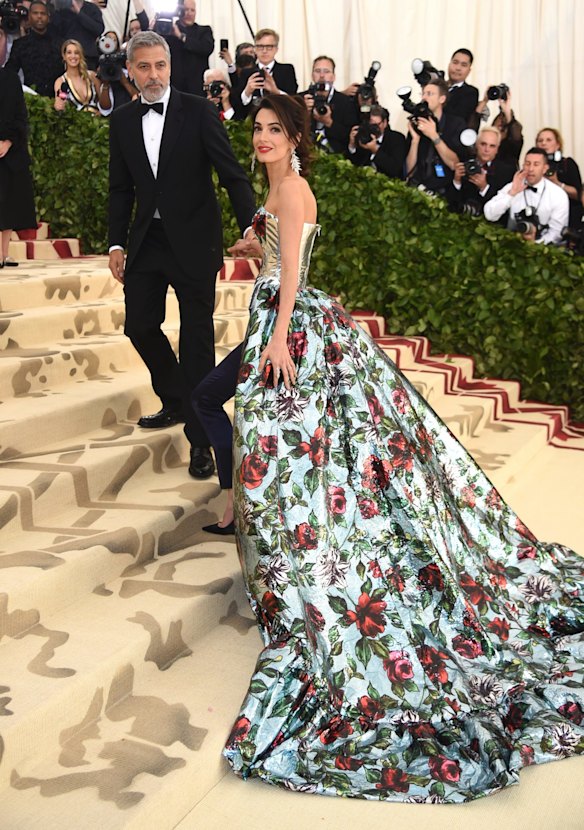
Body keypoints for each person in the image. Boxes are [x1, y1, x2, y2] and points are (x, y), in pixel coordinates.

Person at [192, 93, 584, 801]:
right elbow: (280, 249)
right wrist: (253, 246)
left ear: (298, 138)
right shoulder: (278, 187)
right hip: (277, 321)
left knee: (300, 452)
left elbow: (294, 281)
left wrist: (281, 335)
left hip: (295, 331)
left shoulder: (297, 187)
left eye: (274, 130)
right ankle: (260, 525)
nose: (262, 139)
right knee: (286, 451)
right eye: (257, 129)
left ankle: (291, 546)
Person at [108, 31, 255, 479]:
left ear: (170, 68)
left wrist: (252, 225)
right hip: (147, 243)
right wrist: (116, 243)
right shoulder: (122, 120)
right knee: (139, 326)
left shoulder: (199, 111)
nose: (153, 75)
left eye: (160, 66)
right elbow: (120, 188)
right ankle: (176, 398)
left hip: (194, 241)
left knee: (196, 342)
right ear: (130, 72)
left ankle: (201, 441)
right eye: (144, 67)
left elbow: (232, 176)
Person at [484, 146, 569, 245]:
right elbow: (490, 214)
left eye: (536, 164)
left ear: (545, 168)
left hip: (544, 250)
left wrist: (534, 245)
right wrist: (511, 194)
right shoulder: (513, 186)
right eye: (527, 164)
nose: (531, 169)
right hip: (512, 246)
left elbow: (556, 233)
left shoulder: (558, 195)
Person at [0, 67, 37, 267]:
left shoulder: (9, 78)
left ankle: (4, 253)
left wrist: (8, 141)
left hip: (10, 152)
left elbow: (19, 114)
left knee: (8, 204)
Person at [405, 78, 465, 194]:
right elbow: (409, 171)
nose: (424, 97)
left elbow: (454, 164)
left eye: (430, 94)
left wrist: (433, 136)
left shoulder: (456, 124)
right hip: (418, 190)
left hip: (445, 190)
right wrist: (415, 141)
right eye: (423, 94)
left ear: (442, 99)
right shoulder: (417, 123)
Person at [447, 126, 515, 218]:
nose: (486, 150)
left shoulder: (507, 171)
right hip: (464, 221)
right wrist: (457, 181)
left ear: (497, 149)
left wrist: (484, 187)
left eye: (492, 146)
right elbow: (452, 203)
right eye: (483, 144)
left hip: (492, 226)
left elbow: (504, 206)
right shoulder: (465, 164)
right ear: (476, 145)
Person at [234, 28, 297, 119]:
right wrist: (247, 92)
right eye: (260, 47)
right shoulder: (246, 73)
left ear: (276, 49)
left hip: (280, 118)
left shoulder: (287, 70)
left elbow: (293, 101)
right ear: (255, 49)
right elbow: (239, 107)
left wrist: (276, 91)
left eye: (269, 47)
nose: (264, 51)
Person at [301, 55, 358, 155]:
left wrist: (329, 123)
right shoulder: (300, 99)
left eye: (326, 71)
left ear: (333, 76)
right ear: (312, 75)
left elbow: (350, 136)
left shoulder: (346, 102)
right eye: (318, 71)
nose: (322, 75)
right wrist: (303, 111)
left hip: (337, 157)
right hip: (306, 155)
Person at [5, 0, 63, 97]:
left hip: (58, 100)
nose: (39, 16)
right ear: (29, 17)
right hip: (31, 101)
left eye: (43, 13)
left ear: (48, 18)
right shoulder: (20, 45)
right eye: (35, 13)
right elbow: (10, 73)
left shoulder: (60, 44)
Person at [163, 0, 213, 97]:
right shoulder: (168, 30)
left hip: (198, 88)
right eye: (185, 10)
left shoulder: (204, 31)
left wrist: (181, 36)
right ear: (178, 11)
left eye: (192, 10)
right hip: (174, 88)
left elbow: (207, 48)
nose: (189, 13)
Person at [536, 127, 583, 230]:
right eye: (540, 141)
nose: (544, 143)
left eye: (548, 140)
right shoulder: (533, 166)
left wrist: (557, 183)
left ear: (557, 145)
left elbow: (578, 195)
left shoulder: (567, 164)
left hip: (567, 218)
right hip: (541, 218)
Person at [348, 104, 406, 179]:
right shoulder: (364, 135)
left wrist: (375, 150)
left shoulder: (396, 139)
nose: (374, 128)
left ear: (385, 123)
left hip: (388, 183)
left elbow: (394, 169)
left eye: (376, 125)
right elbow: (354, 164)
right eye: (371, 125)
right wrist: (352, 145)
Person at [53, 38, 105, 114]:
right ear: (64, 56)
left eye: (76, 53)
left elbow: (103, 102)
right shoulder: (61, 82)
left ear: (81, 55)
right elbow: (60, 102)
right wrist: (59, 105)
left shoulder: (92, 76)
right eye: (69, 53)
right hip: (75, 123)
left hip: (98, 121)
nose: (73, 56)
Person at [51, 0, 104, 70]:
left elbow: (99, 29)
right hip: (67, 57)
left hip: (88, 57)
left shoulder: (92, 8)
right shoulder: (63, 10)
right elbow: (55, 31)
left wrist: (79, 12)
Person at [443, 48, 479, 124]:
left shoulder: (470, 92)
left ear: (469, 70)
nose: (458, 68)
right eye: (455, 62)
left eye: (464, 65)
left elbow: (458, 117)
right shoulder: (437, 86)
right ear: (449, 64)